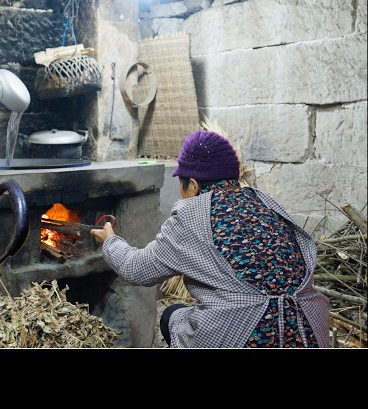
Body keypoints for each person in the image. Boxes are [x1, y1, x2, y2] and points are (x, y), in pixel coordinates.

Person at [91, 129, 330, 348]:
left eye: (181, 185)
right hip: (308, 330)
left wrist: (110, 240)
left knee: (171, 315)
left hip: (246, 333)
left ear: (193, 185)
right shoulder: (265, 203)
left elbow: (137, 269)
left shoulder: (193, 215)